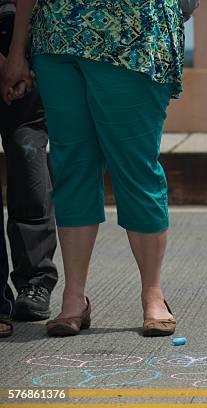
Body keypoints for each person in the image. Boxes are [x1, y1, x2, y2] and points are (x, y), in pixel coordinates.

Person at [1, 0, 185, 337]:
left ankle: (152, 294)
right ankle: (74, 298)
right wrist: (17, 50)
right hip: (56, 37)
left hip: (132, 36)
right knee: (71, 167)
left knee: (135, 167)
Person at [0, 0, 58, 338]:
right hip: (18, 41)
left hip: (20, 31)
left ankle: (35, 282)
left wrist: (17, 55)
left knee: (27, 160)